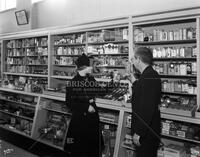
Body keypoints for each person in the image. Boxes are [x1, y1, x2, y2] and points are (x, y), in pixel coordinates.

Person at [64, 53, 112, 157]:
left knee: (93, 148)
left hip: (92, 119)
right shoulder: (72, 83)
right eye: (91, 65)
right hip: (80, 120)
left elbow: (102, 91)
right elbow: (69, 103)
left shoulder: (90, 80)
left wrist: (113, 83)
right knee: (79, 148)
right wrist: (86, 107)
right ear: (84, 67)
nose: (93, 67)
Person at [130, 47, 161, 157]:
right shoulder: (148, 75)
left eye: (133, 59)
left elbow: (147, 108)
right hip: (147, 131)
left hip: (147, 134)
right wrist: (134, 83)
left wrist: (139, 132)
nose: (132, 61)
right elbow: (144, 93)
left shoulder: (149, 76)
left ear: (138, 59)